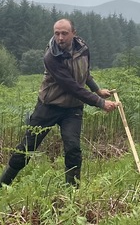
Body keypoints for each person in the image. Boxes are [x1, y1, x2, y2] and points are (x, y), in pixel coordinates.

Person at [0, 18, 118, 188]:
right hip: (48, 106)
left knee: (73, 149)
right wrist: (100, 102)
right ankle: (3, 185)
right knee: (26, 148)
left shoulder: (83, 48)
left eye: (64, 33)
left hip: (72, 109)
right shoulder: (51, 57)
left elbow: (85, 73)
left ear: (74, 33)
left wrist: (97, 89)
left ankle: (72, 192)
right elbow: (72, 87)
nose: (60, 38)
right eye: (57, 34)